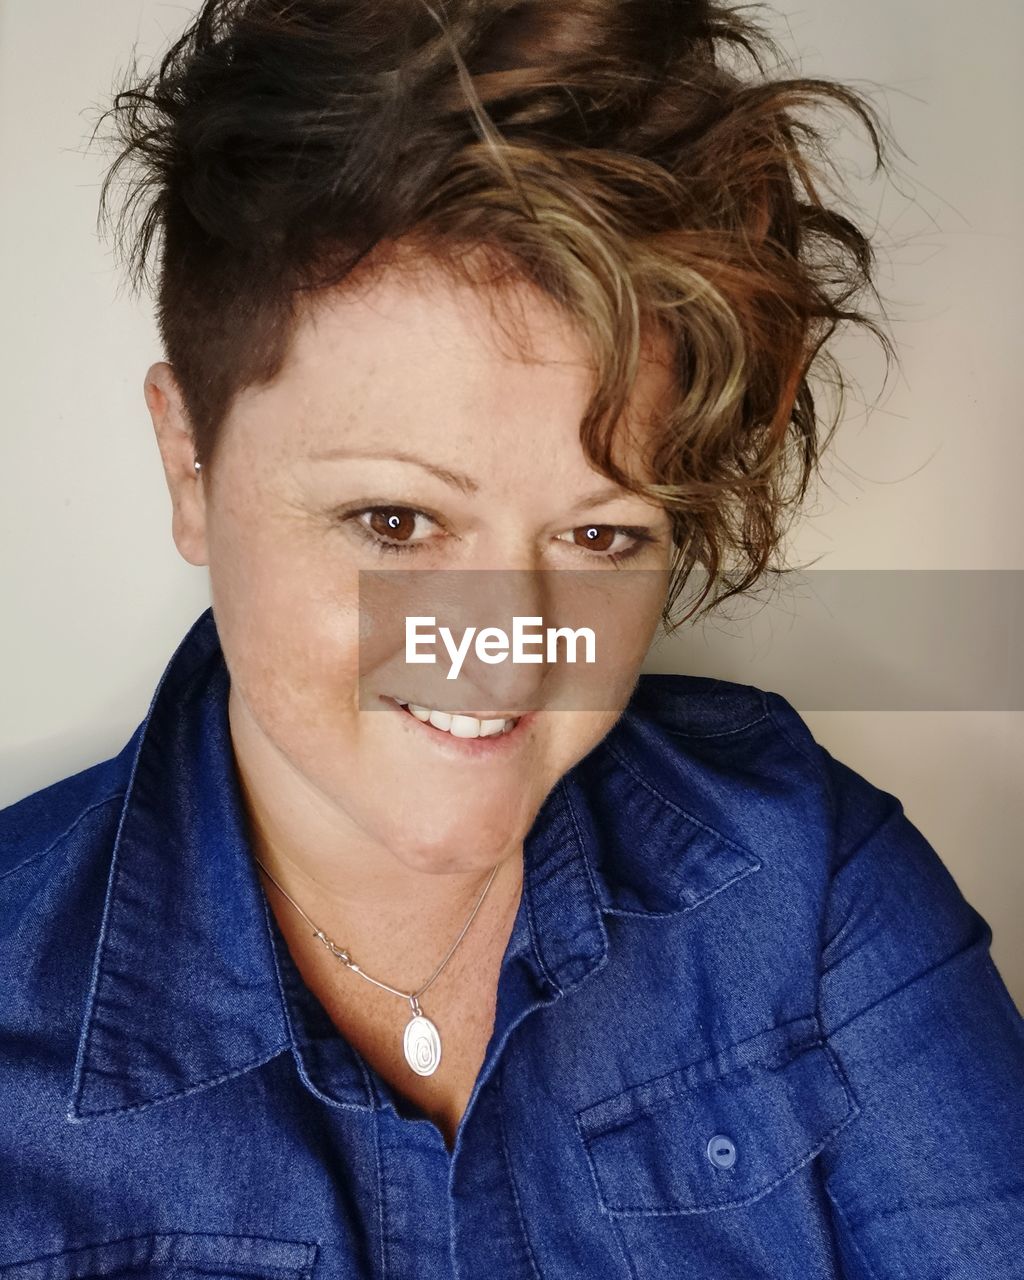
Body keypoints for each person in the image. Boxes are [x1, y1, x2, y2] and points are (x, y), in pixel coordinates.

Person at [1, 1, 1021, 1276]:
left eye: (601, 537)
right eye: (395, 517)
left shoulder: (803, 874)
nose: (504, 647)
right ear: (189, 462)